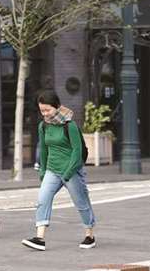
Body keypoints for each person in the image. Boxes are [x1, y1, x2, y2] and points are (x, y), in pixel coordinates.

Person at [22, 90, 96, 251]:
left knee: (81, 203)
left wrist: (68, 173)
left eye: (48, 110)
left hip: (71, 171)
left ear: (56, 106)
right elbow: (44, 150)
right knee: (42, 200)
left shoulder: (70, 126)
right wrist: (42, 171)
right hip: (52, 169)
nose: (45, 113)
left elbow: (77, 152)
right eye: (42, 110)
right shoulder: (44, 126)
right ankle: (39, 238)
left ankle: (89, 235)